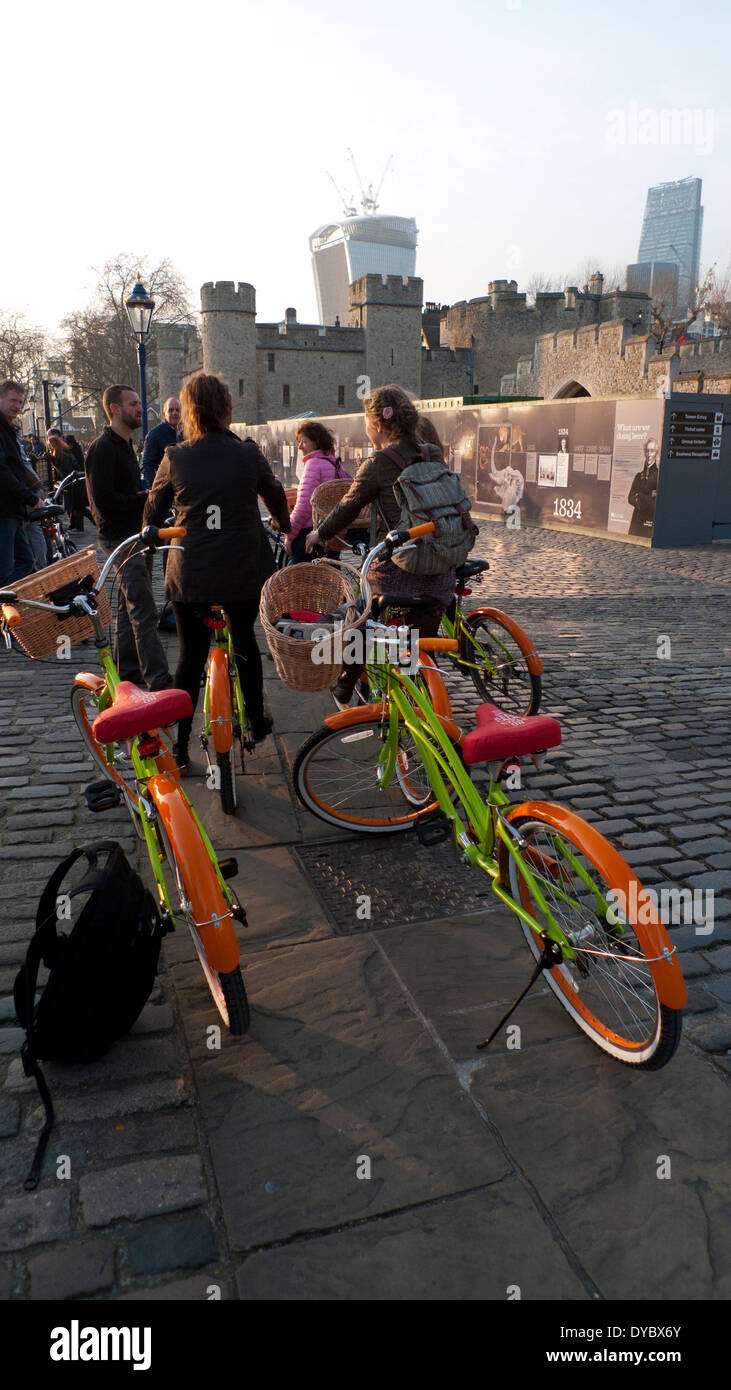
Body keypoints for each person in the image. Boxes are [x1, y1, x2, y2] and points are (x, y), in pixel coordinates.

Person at [143, 371, 290, 770]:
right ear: (226, 408)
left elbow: (152, 512)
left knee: (190, 657)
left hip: (190, 572)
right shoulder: (246, 452)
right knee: (244, 639)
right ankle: (257, 720)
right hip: (242, 569)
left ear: (188, 411)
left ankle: (180, 746)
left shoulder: (175, 456)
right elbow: (275, 493)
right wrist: (285, 524)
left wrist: (153, 534)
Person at [306, 383, 460, 704]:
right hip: (443, 571)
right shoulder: (432, 453)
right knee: (413, 646)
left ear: (377, 425)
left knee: (356, 613)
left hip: (399, 574)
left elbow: (346, 509)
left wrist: (317, 534)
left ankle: (346, 680)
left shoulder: (377, 464)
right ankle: (411, 688)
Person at [85, 384, 172, 691]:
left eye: (139, 403)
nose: (139, 408)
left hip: (135, 536)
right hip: (119, 541)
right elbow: (102, 504)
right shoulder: (102, 448)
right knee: (143, 609)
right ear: (114, 409)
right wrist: (142, 498)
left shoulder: (124, 445)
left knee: (127, 608)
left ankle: (128, 675)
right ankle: (159, 682)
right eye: (133, 403)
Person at [0, 380, 46, 586]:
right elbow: (2, 472)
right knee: (6, 568)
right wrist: (30, 497)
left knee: (27, 561)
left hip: (12, 509)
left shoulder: (9, 429)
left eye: (20, 401)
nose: (17, 406)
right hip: (4, 509)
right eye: (12, 400)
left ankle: (9, 605)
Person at [284, 421, 347, 562]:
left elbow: (304, 506)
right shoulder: (334, 463)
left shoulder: (313, 464)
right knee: (329, 577)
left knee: (301, 580)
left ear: (317, 442)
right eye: (299, 442)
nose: (300, 447)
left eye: (304, 442)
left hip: (308, 533)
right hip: (330, 531)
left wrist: (289, 535)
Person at [141, 397, 182, 489]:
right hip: (166, 489)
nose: (174, 413)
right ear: (164, 414)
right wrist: (156, 489)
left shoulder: (187, 433)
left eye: (177, 410)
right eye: (170, 410)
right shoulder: (155, 434)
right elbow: (147, 465)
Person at [628, 438, 659, 538]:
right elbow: (630, 498)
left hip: (649, 519)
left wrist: (640, 496)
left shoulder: (659, 475)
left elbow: (655, 502)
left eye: (652, 451)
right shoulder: (638, 476)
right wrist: (648, 497)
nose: (649, 454)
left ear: (656, 453)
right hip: (637, 519)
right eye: (647, 450)